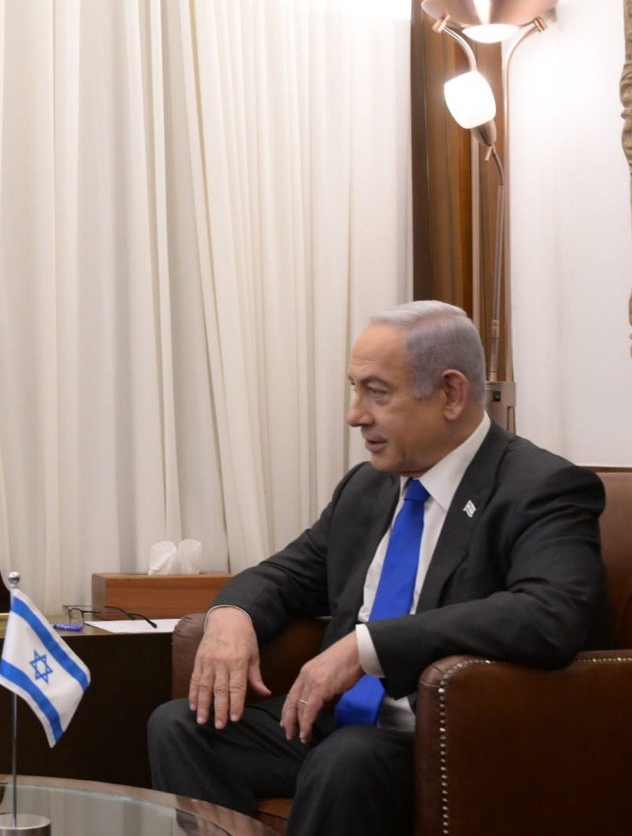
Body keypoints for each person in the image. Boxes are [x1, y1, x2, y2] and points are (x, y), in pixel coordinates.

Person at [148, 300, 608, 836]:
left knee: (348, 759)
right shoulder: (368, 488)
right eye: (354, 389)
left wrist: (370, 648)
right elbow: (286, 574)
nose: (355, 414)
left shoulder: (540, 487)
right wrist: (231, 614)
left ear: (451, 394)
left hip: (442, 739)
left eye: (377, 392)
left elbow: (550, 614)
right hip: (335, 728)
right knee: (181, 725)